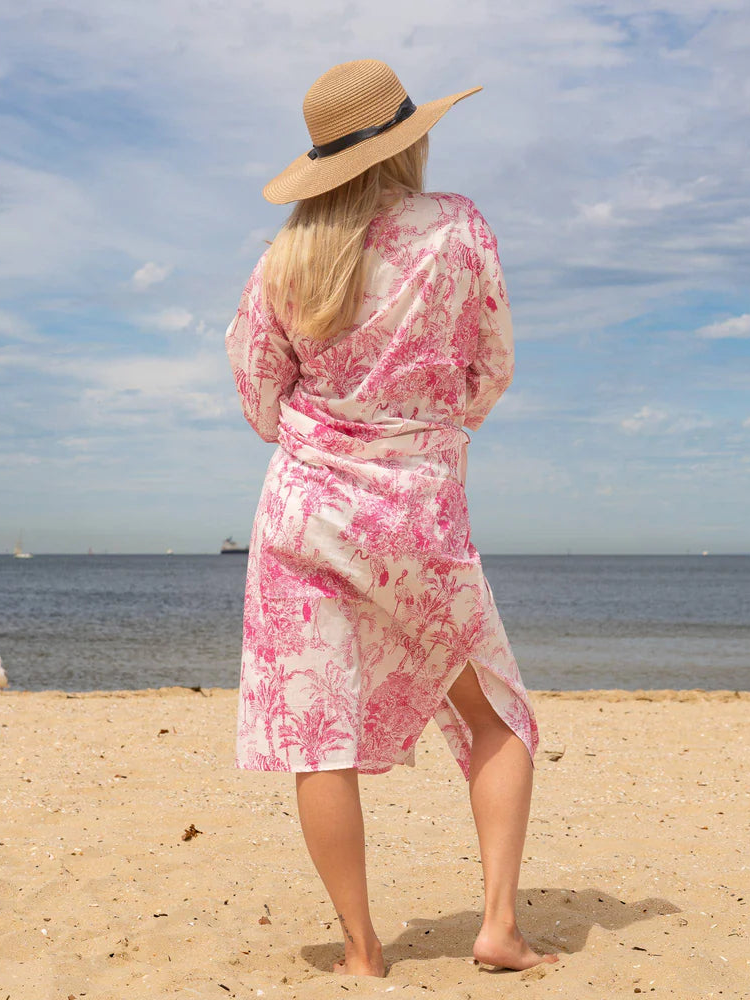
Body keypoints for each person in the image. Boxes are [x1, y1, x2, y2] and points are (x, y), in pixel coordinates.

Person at [225, 58, 557, 978]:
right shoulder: (458, 229)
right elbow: (490, 370)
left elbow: (259, 398)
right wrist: (423, 430)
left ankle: (362, 951)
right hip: (416, 516)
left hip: (303, 513)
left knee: (316, 737)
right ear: (410, 142)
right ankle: (497, 925)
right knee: (498, 716)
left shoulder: (285, 259)